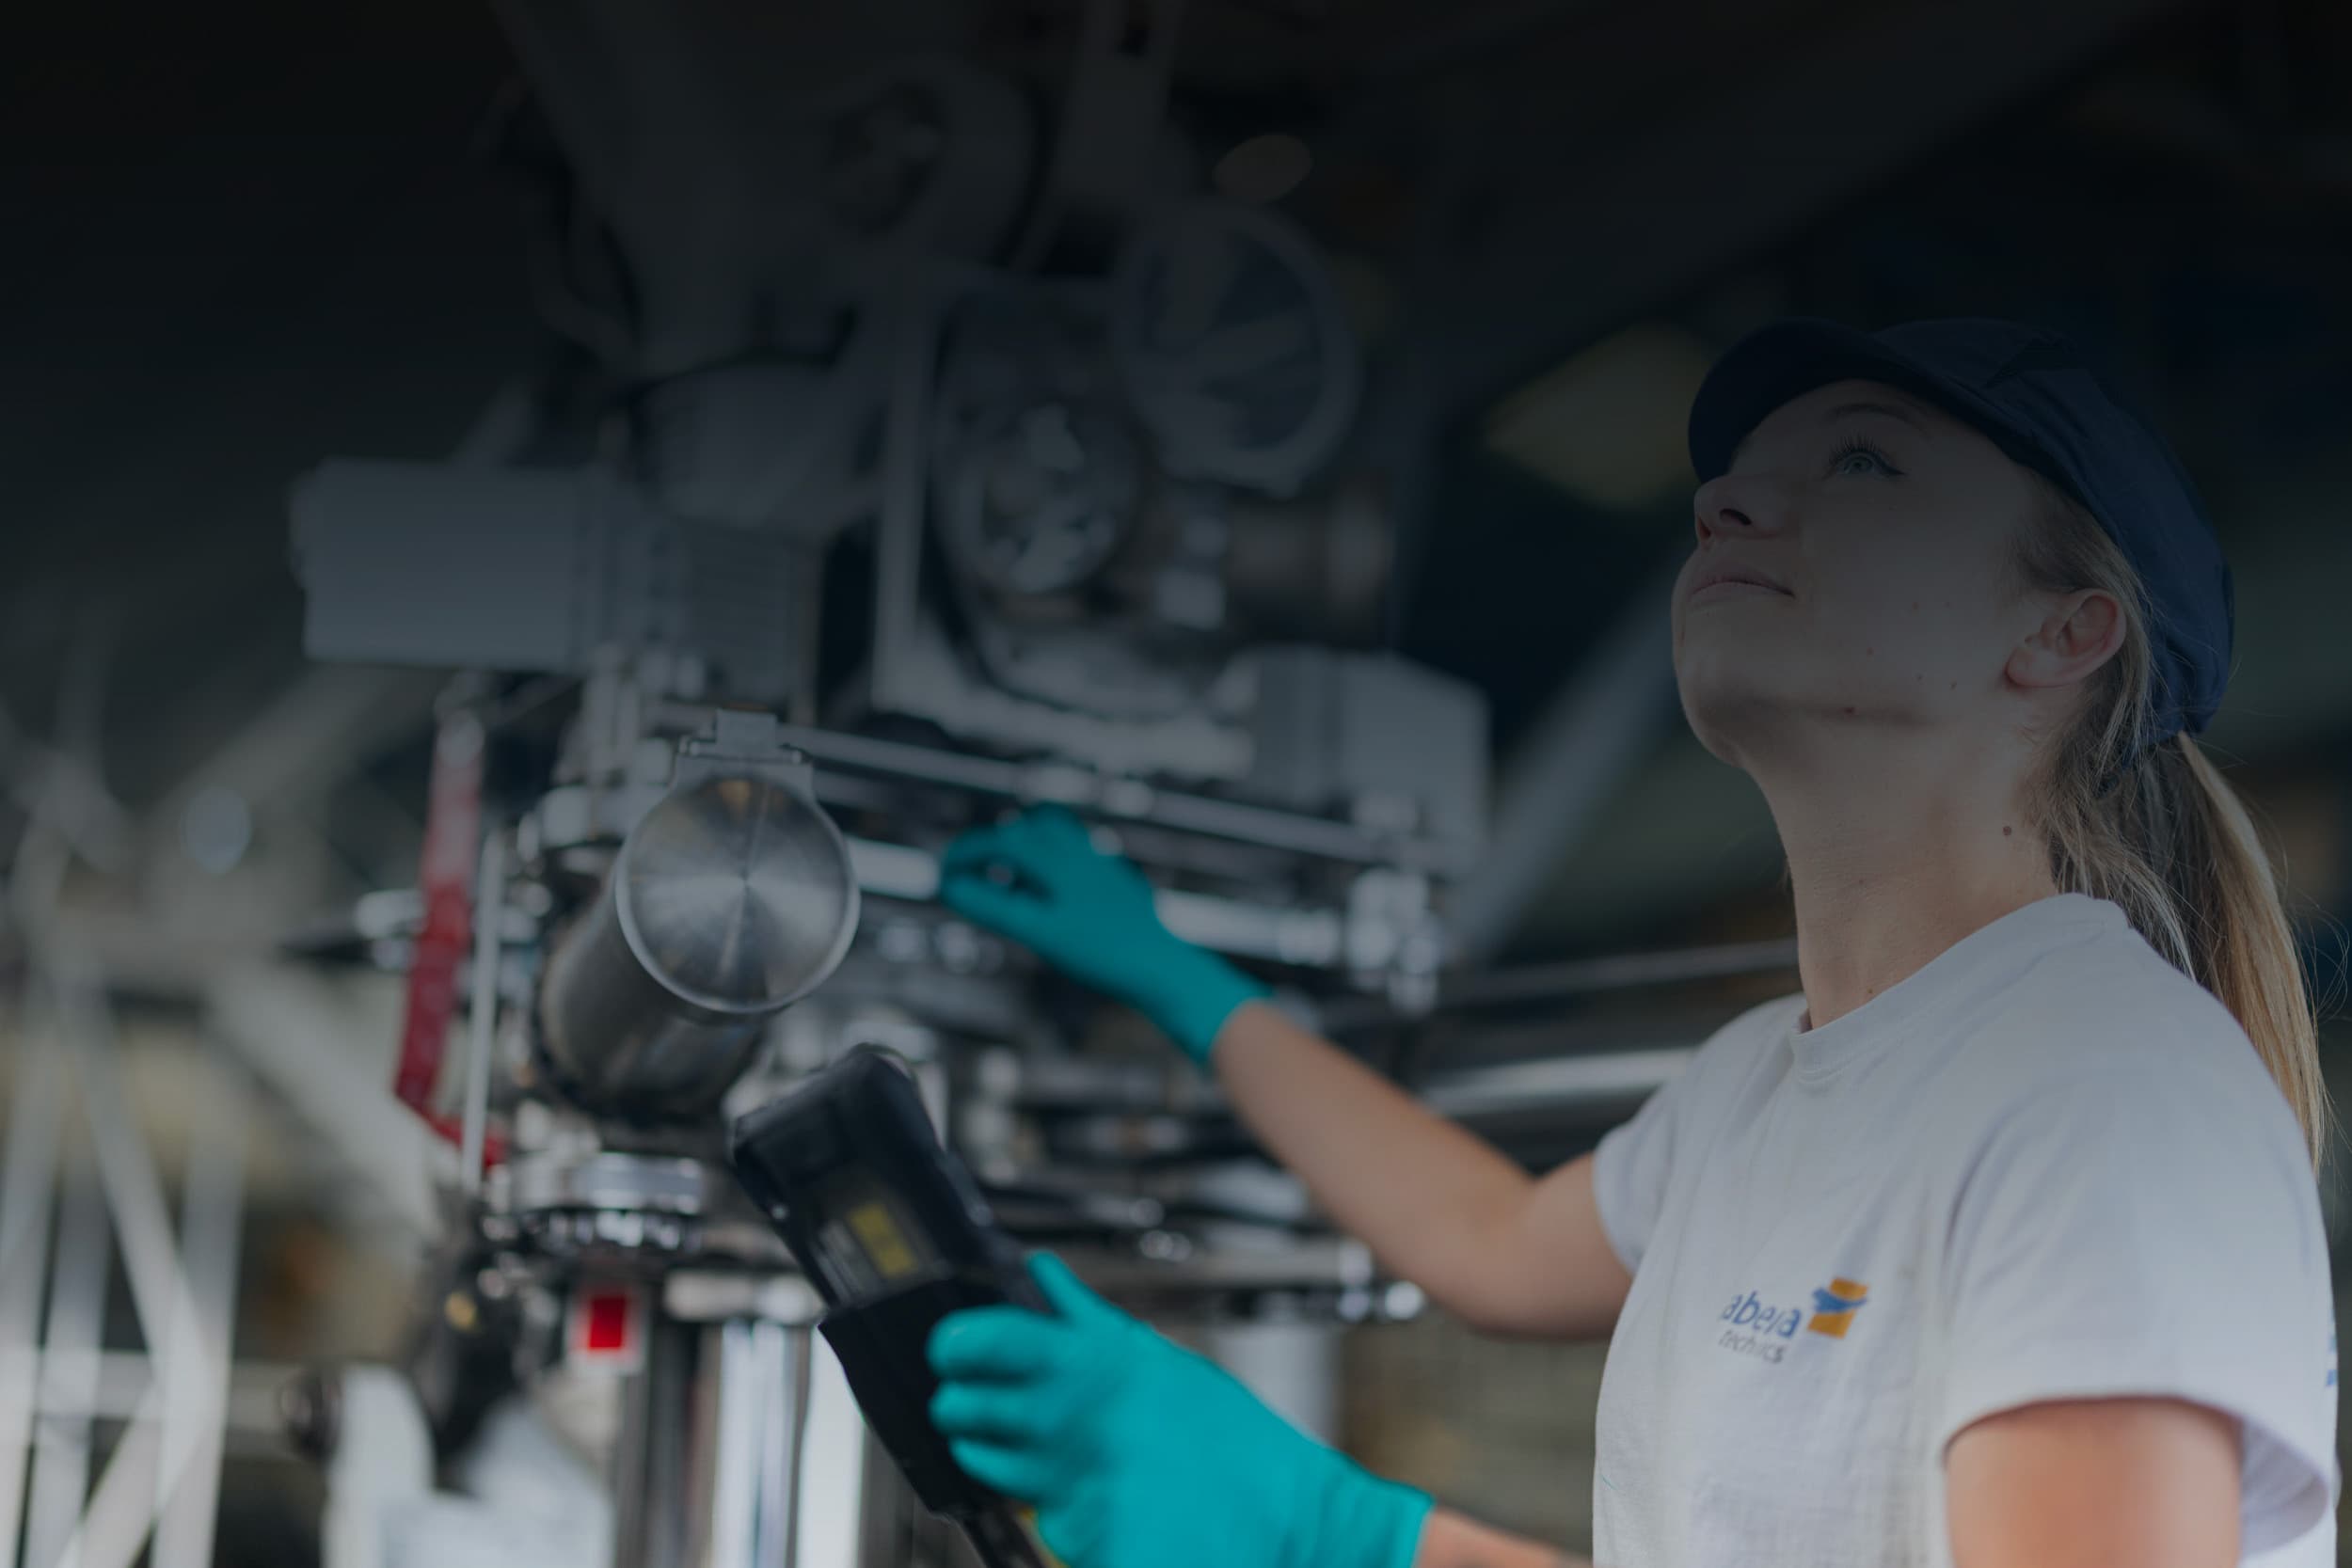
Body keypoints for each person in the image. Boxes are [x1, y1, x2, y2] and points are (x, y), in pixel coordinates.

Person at [922, 317, 2339, 1568]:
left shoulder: (2099, 1091)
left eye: (1859, 463)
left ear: (2062, 632)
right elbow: (1481, 1238)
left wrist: (1347, 1540)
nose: (1724, 502)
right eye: (1732, 481)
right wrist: (1177, 978)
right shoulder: (1748, 1088)